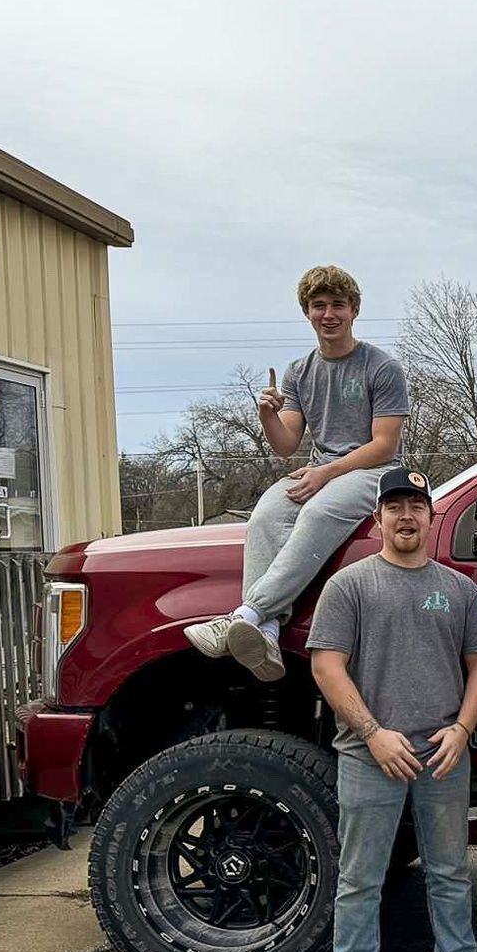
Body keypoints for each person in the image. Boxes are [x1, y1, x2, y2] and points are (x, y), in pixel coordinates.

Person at [306, 468, 477, 952]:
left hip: (442, 753)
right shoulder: (350, 585)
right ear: (378, 518)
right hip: (370, 754)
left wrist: (462, 729)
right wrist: (372, 732)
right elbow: (326, 664)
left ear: (432, 517)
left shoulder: (459, 589)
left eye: (417, 506)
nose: (406, 516)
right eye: (395, 506)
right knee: (361, 875)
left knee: (450, 869)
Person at [187, 265, 409, 682]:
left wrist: (327, 474)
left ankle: (248, 612)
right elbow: (286, 444)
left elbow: (384, 445)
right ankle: (267, 631)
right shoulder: (299, 372)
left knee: (318, 513)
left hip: (373, 472)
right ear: (307, 312)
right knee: (268, 513)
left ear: (354, 310)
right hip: (322, 469)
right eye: (318, 306)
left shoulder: (381, 367)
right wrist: (267, 414)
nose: (328, 314)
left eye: (337, 305)